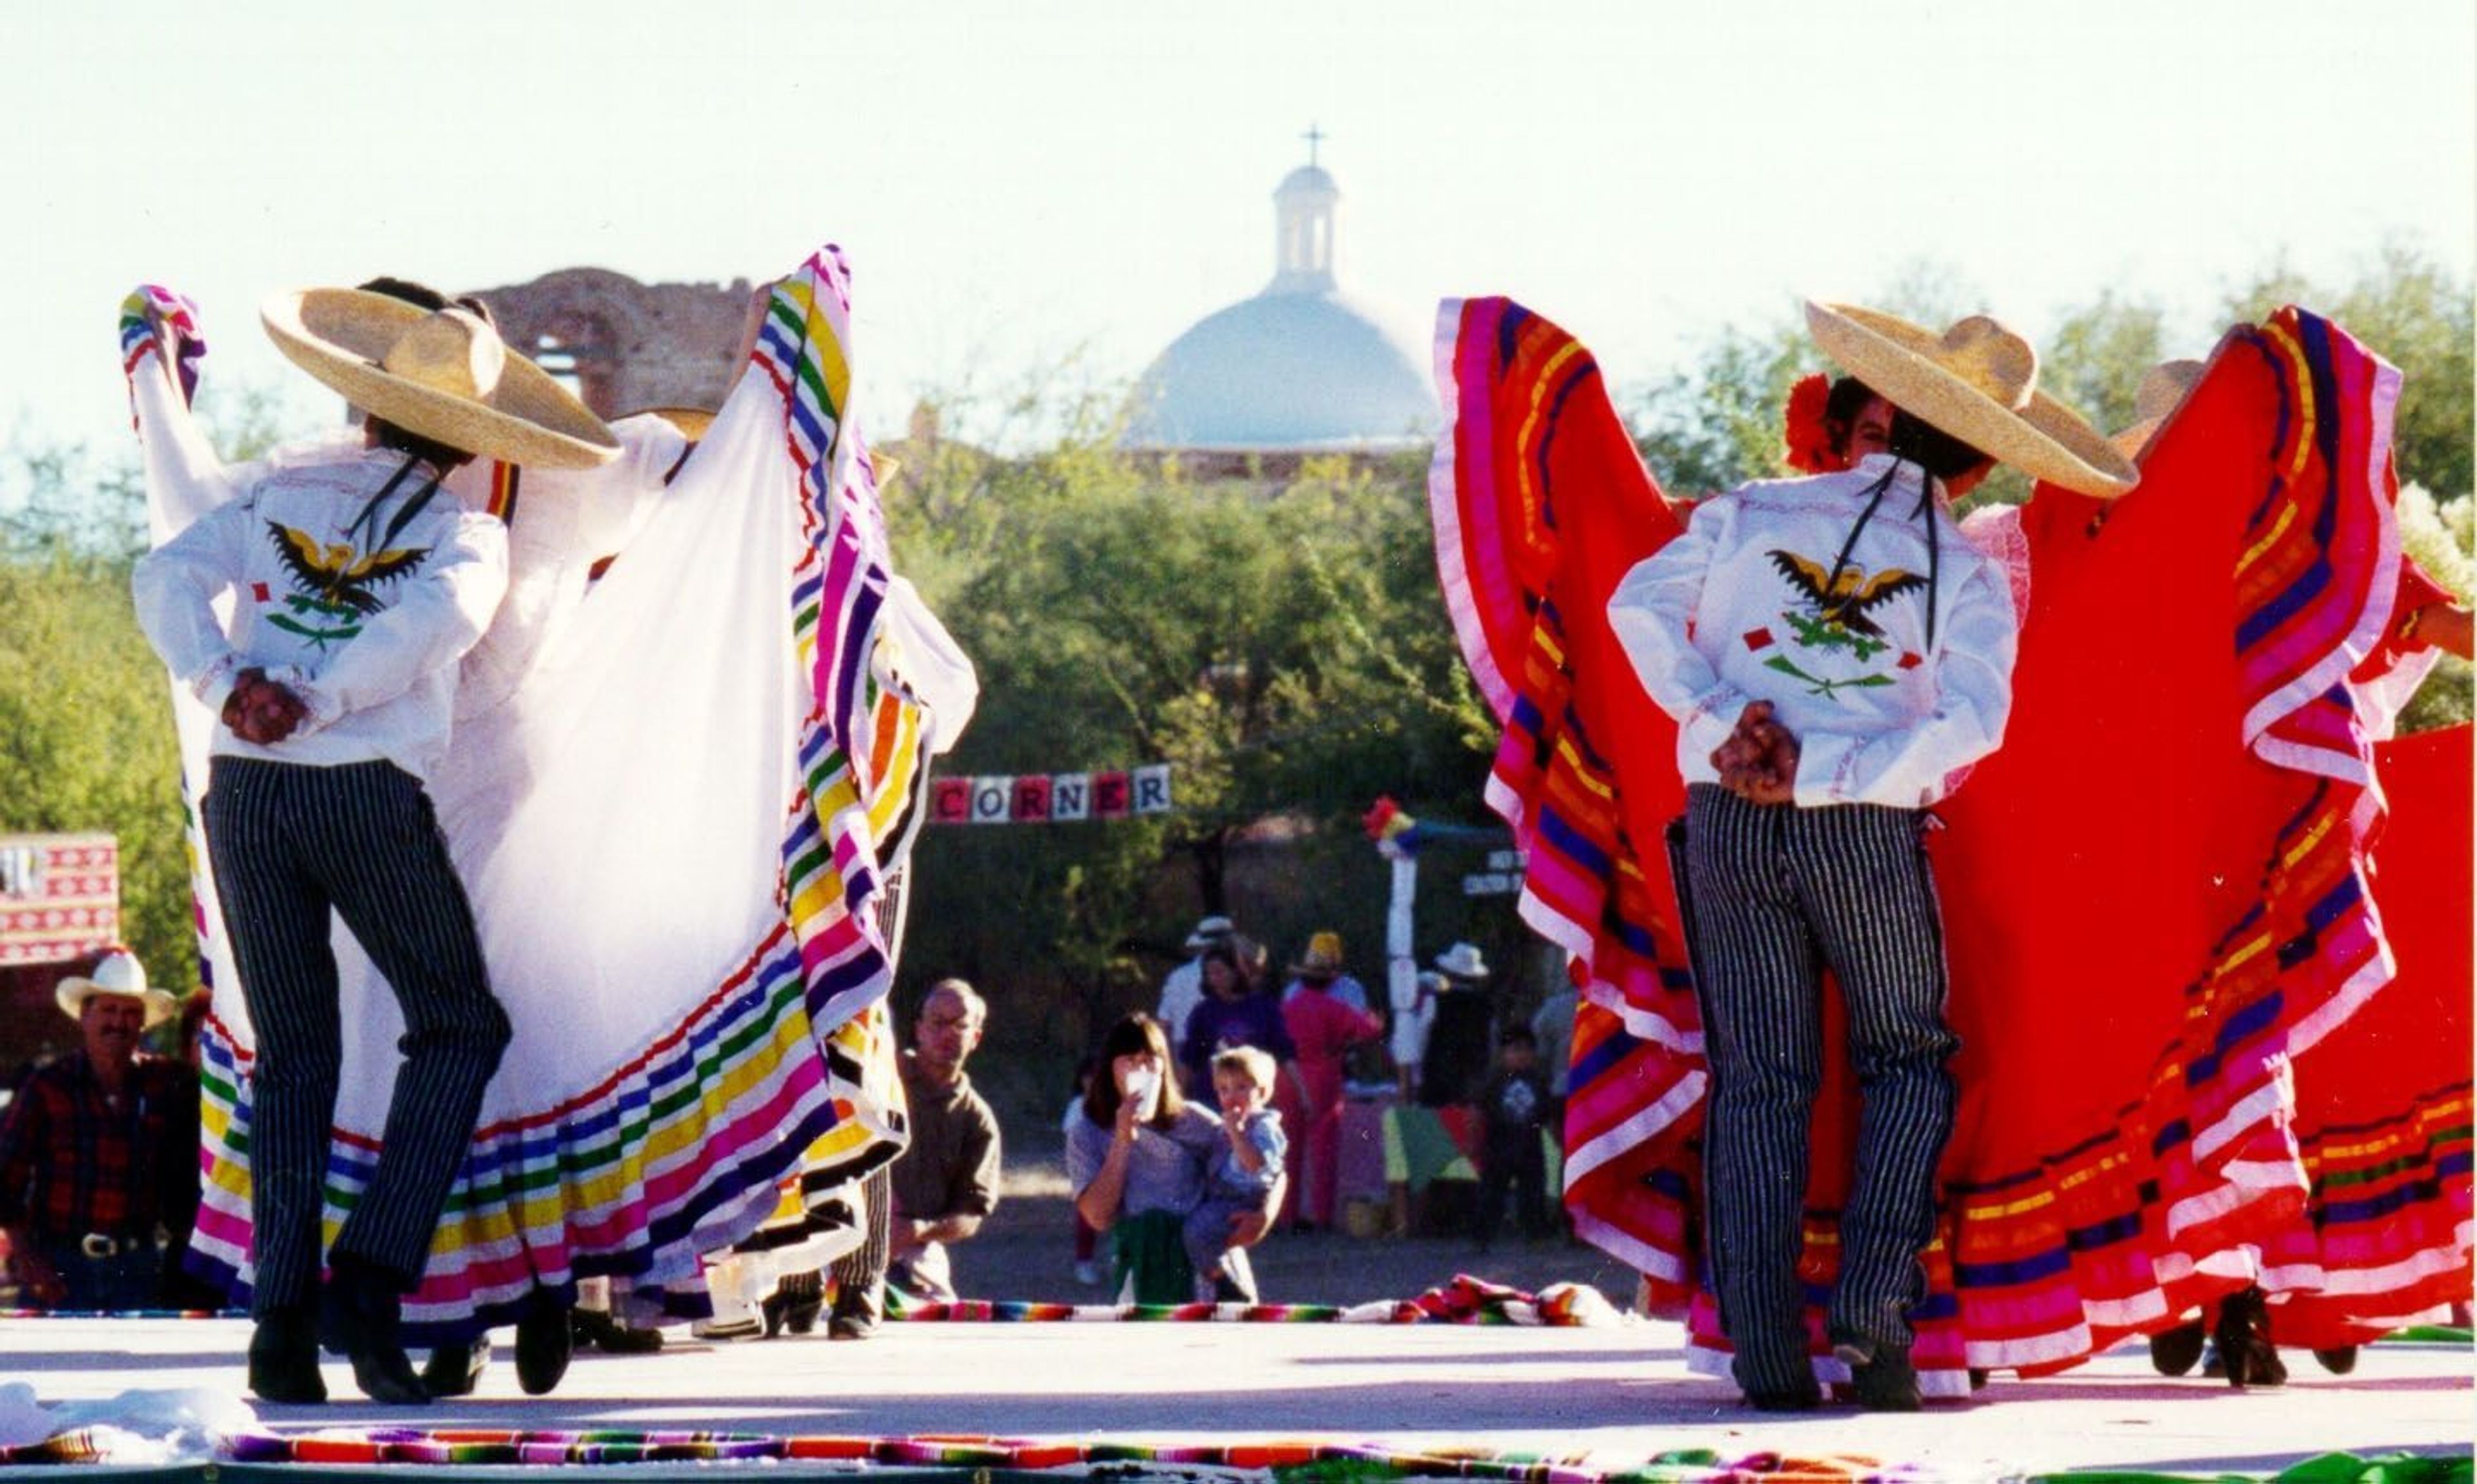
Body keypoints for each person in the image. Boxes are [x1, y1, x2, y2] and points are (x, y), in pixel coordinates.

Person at [1607, 302, 2134, 1412]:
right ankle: (1874, 1315)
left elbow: (1637, 605)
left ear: (1870, 415)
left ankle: (1764, 1344)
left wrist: (1725, 725)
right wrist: (1829, 770)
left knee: (1759, 1076)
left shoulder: (1749, 511)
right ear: (1977, 454)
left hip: (1730, 813)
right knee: (1904, 1059)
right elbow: (1971, 726)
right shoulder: (1968, 572)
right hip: (1864, 830)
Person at [131, 284, 615, 1403]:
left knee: (296, 1057)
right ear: (465, 439)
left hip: (247, 791)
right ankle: (374, 1267)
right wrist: (318, 699)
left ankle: (281, 1328)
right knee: (457, 1023)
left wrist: (234, 685)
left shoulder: (274, 494)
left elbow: (164, 576)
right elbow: (431, 624)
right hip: (358, 790)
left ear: (369, 410)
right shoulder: (465, 529)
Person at [0, 949, 199, 1312]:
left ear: (142, 1024)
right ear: (84, 1016)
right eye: (108, 1010)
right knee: (49, 1368)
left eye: (130, 1013)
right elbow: (5, 1177)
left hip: (138, 1267)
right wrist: (26, 1256)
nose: (118, 1023)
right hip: (59, 1265)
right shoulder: (47, 1086)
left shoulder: (169, 1085)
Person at [822, 980, 1002, 1336]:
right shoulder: (879, 1079)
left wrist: (918, 1231)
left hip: (916, 1252)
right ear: (918, 1028)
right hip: (842, 1235)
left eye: (960, 1025)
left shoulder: (977, 1120)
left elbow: (972, 1214)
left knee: (945, 1322)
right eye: (937, 1022)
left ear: (976, 1037)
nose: (947, 1034)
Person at [1068, 1013, 1277, 1304]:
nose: (1141, 1068)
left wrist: (1266, 1212)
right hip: (1144, 1264)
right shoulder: (1087, 1132)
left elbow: (1268, 1166)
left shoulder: (1196, 1120)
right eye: (1130, 1060)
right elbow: (1097, 1216)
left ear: (1164, 1066)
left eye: (1150, 1060)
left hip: (1206, 1263)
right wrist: (1122, 1140)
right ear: (1111, 1067)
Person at [1277, 932, 1384, 1231]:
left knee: (1289, 1150)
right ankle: (1322, 1216)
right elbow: (1368, 1031)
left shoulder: (1290, 1002)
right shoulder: (1338, 1006)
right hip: (1324, 1073)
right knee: (1323, 1149)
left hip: (1288, 1075)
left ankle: (1286, 1215)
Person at [1183, 1047, 1285, 1302]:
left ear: (1261, 1092)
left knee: (1198, 1232)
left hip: (1243, 1196)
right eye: (1224, 1089)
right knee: (1199, 1233)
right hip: (1222, 1194)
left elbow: (1256, 1165)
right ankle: (1221, 1277)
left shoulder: (1264, 1126)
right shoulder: (1226, 1124)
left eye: (1241, 1088)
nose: (1232, 1096)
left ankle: (1225, 1283)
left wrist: (1237, 1134)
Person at [1471, 1025, 1553, 1250]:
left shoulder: (1538, 1079)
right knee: (1491, 1194)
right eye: (1515, 1050)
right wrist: (1474, 1142)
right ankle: (1482, 1238)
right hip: (1498, 1146)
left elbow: (1547, 1111)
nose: (1521, 1055)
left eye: (1527, 1050)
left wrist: (1555, 1135)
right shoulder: (1494, 1080)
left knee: (1533, 1193)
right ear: (1504, 1054)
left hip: (1530, 1147)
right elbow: (1478, 1110)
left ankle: (1536, 1236)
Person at [1416, 943, 1495, 1109]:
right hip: (1472, 1079)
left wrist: (1417, 1070)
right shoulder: (1486, 1006)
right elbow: (1491, 1043)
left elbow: (1422, 1036)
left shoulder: (1435, 1000)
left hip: (1436, 1074)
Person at [1156, 915, 1235, 1052]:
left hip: (1184, 1048)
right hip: (1223, 1048)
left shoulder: (1178, 976)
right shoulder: (1234, 975)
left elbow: (1164, 1022)